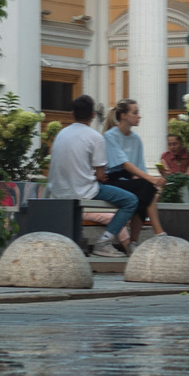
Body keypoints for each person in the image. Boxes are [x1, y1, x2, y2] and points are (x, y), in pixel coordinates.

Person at [47, 95, 139, 257]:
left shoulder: (60, 135)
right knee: (131, 201)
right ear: (93, 115)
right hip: (84, 190)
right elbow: (101, 175)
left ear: (72, 114)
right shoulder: (95, 137)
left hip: (59, 191)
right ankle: (103, 242)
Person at [102, 100, 160, 243]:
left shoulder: (136, 139)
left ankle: (134, 241)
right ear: (124, 116)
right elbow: (124, 164)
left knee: (146, 192)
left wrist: (149, 180)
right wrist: (151, 179)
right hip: (112, 180)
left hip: (130, 180)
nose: (139, 116)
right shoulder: (110, 136)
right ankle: (157, 231)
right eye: (135, 113)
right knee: (148, 188)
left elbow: (140, 167)